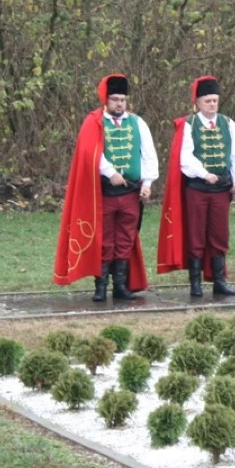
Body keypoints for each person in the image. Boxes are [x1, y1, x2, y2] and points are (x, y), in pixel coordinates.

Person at [54, 74, 158, 301]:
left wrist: (147, 183)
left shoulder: (137, 123)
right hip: (105, 194)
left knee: (125, 239)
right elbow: (90, 152)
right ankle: (100, 287)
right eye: (114, 99)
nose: (119, 103)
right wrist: (110, 173)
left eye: (122, 99)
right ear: (106, 100)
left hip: (130, 193)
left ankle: (119, 286)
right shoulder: (94, 121)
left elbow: (149, 155)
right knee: (105, 240)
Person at [157, 76, 235, 298]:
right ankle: (195, 284)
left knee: (219, 235)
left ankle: (219, 280)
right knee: (196, 235)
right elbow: (185, 157)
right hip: (197, 189)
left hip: (221, 190)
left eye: (215, 100)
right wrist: (204, 174)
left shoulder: (228, 124)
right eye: (207, 101)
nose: (212, 105)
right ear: (198, 103)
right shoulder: (189, 125)